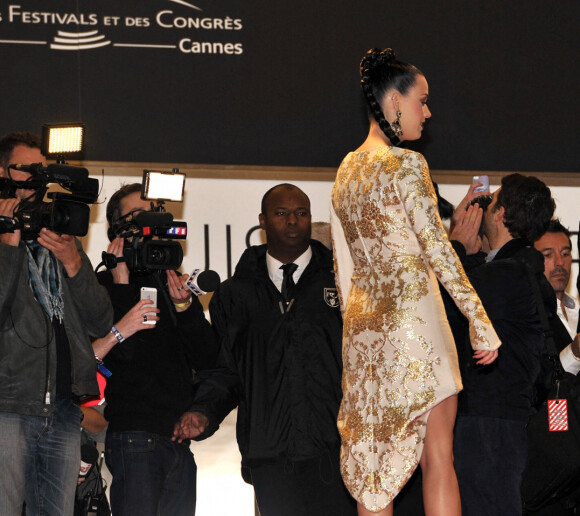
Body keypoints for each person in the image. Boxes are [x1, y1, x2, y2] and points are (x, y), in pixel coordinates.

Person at [329, 48, 500, 515]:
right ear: (394, 102)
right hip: (414, 325)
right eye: (422, 101)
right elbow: (439, 251)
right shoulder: (406, 165)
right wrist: (479, 320)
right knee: (438, 458)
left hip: (365, 334)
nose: (428, 112)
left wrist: (356, 341)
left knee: (373, 474)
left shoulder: (345, 171)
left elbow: (343, 266)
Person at [173, 183, 357, 516]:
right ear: (262, 220)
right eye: (281, 213)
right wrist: (204, 411)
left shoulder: (344, 282)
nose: (292, 221)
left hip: (336, 450)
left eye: (301, 213)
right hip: (269, 454)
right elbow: (226, 371)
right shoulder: (234, 294)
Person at [0, 131, 114, 516]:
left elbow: (100, 320)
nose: (33, 178)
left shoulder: (60, 235)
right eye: (24, 168)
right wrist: (7, 241)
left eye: (39, 169)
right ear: (1, 170)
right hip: (8, 403)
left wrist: (73, 264)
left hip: (64, 408)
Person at [94, 183, 218, 516]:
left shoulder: (172, 283)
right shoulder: (102, 286)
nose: (149, 224)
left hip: (178, 442)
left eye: (154, 215)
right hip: (134, 436)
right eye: (137, 216)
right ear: (117, 230)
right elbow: (123, 355)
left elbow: (208, 359)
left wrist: (184, 306)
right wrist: (121, 283)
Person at [450, 173, 556, 516]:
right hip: (503, 422)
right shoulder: (519, 268)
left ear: (500, 213)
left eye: (490, 201)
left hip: (489, 425)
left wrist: (457, 248)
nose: (481, 209)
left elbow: (447, 308)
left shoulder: (507, 273)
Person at [534, 219, 579, 373]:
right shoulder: (527, 316)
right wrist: (574, 353)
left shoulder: (577, 308)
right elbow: (536, 382)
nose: (560, 262)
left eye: (565, 254)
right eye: (548, 255)